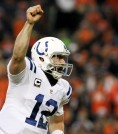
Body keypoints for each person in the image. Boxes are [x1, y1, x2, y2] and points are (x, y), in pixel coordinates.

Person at [0, 5, 73, 134]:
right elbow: (17, 57)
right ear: (43, 57)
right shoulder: (27, 72)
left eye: (63, 58)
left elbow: (56, 121)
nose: (62, 62)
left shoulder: (63, 88)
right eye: (58, 57)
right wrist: (29, 23)